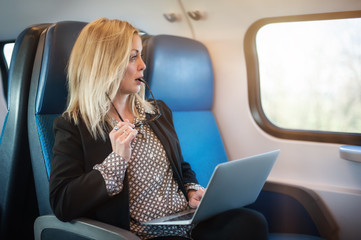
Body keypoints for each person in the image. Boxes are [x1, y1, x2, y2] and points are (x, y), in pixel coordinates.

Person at [49, 18, 268, 240]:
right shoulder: (73, 126)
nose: (143, 65)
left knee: (251, 222)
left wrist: (191, 191)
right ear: (105, 64)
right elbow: (62, 203)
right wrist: (116, 161)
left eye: (141, 55)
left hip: (184, 220)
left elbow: (181, 168)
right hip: (143, 234)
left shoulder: (157, 112)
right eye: (133, 57)